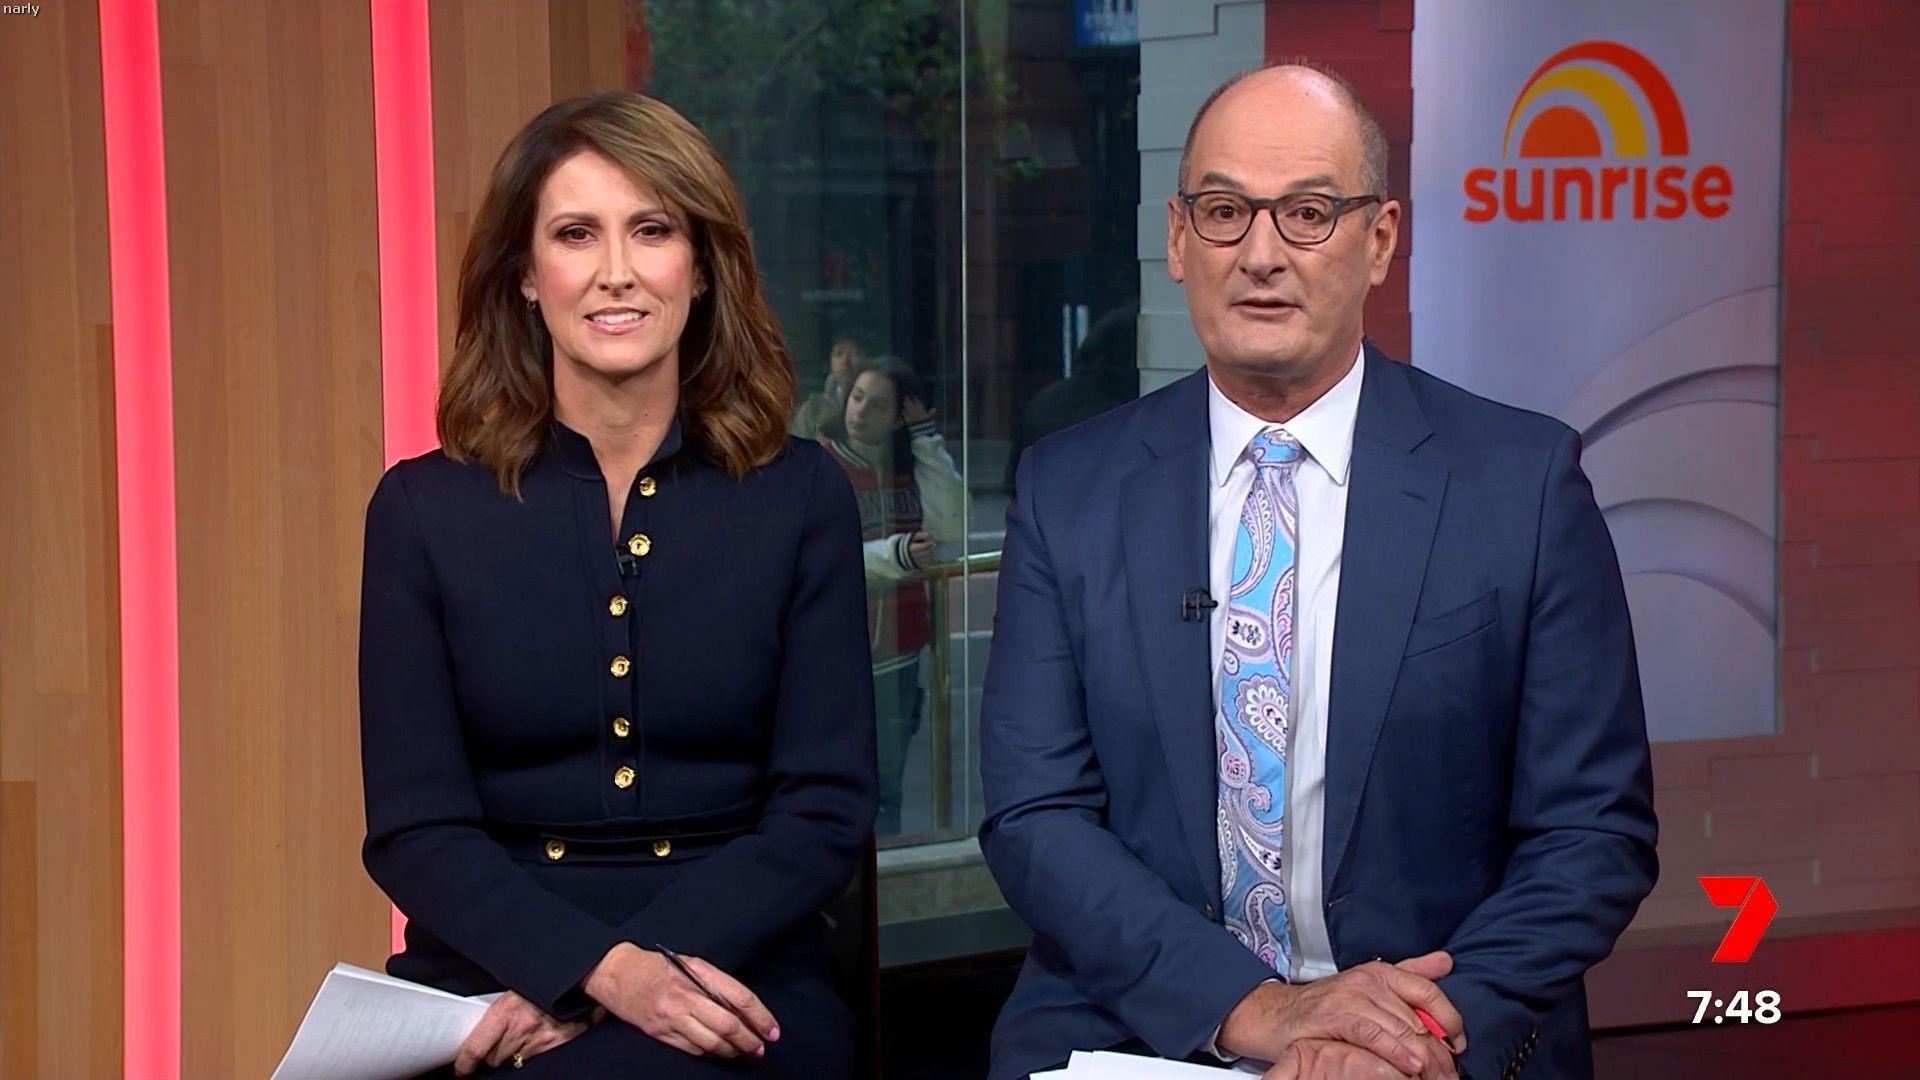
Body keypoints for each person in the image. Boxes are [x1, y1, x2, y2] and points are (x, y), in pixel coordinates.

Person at [978, 62, 1657, 1080]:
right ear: (1177, 239)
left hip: (1428, 1033)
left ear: (1379, 239)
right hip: (1145, 1027)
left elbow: (1594, 831)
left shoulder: (1522, 485)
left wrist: (1409, 1037)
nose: (1261, 255)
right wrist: (1255, 1010)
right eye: (1224, 212)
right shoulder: (1068, 489)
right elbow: (1037, 814)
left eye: (1307, 213)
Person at [357, 91, 877, 1078]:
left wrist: (636, 978)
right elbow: (416, 830)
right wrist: (592, 972)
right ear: (525, 273)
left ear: (702, 267)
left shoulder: (802, 495)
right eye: (575, 234)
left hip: (739, 959)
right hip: (492, 967)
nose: (616, 272)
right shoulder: (421, 512)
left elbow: (823, 809)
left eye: (652, 230)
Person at [817, 355, 969, 836]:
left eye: (878, 406)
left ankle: (883, 876)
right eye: (857, 398)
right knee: (831, 785)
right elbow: (817, 557)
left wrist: (926, 440)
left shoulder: (908, 468)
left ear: (898, 419)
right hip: (833, 653)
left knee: (887, 791)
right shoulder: (821, 462)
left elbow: (954, 524)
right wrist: (896, 554)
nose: (860, 412)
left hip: (898, 653)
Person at [789, 335, 866, 440]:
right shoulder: (813, 409)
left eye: (855, 353)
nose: (845, 361)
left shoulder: (873, 406)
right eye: (839, 354)